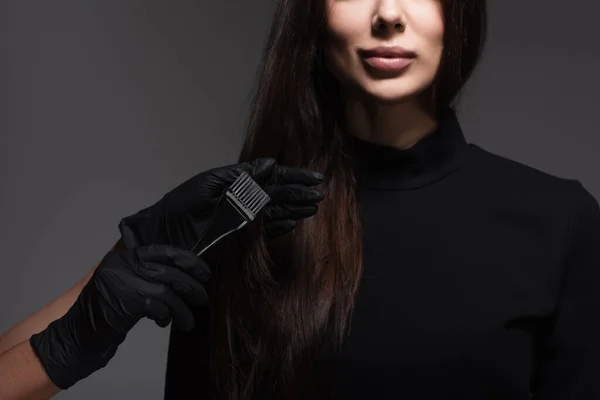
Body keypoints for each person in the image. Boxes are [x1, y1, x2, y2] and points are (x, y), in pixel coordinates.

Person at [1, 0, 599, 398]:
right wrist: (90, 317)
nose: (388, 13)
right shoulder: (234, 218)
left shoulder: (558, 223)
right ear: (313, 16)